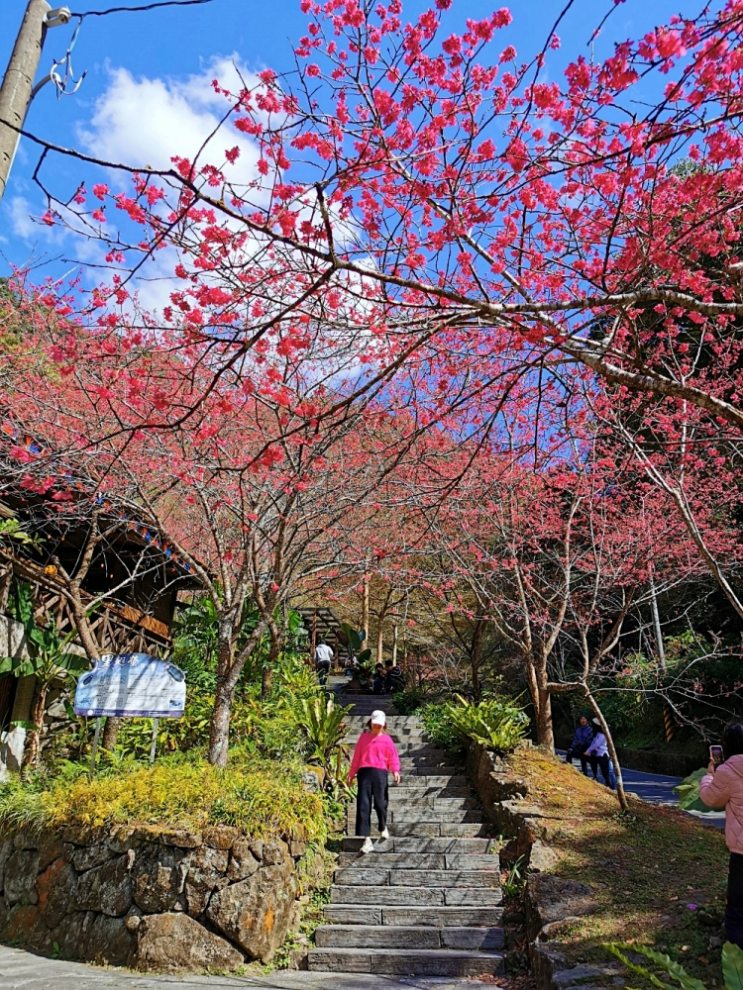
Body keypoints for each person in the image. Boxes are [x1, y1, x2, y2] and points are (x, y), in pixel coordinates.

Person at [699, 722, 743, 949]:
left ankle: (736, 954)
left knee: (737, 903)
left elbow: (710, 799)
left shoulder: (726, 770)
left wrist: (708, 775)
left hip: (741, 850)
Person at [347, 709, 401, 854]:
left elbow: (393, 757)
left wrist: (395, 771)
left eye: (380, 725)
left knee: (380, 803)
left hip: (380, 774)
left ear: (384, 725)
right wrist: (351, 774)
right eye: (375, 724)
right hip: (364, 773)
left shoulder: (387, 740)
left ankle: (383, 826)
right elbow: (357, 757)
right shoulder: (364, 738)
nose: (377, 727)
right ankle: (367, 840)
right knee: (363, 806)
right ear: (370, 723)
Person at [584, 718, 616, 789]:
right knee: (603, 770)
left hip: (603, 754)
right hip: (598, 754)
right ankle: (604, 782)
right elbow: (594, 743)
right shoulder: (598, 734)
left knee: (607, 771)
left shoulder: (603, 735)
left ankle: (612, 786)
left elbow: (596, 744)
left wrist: (588, 751)